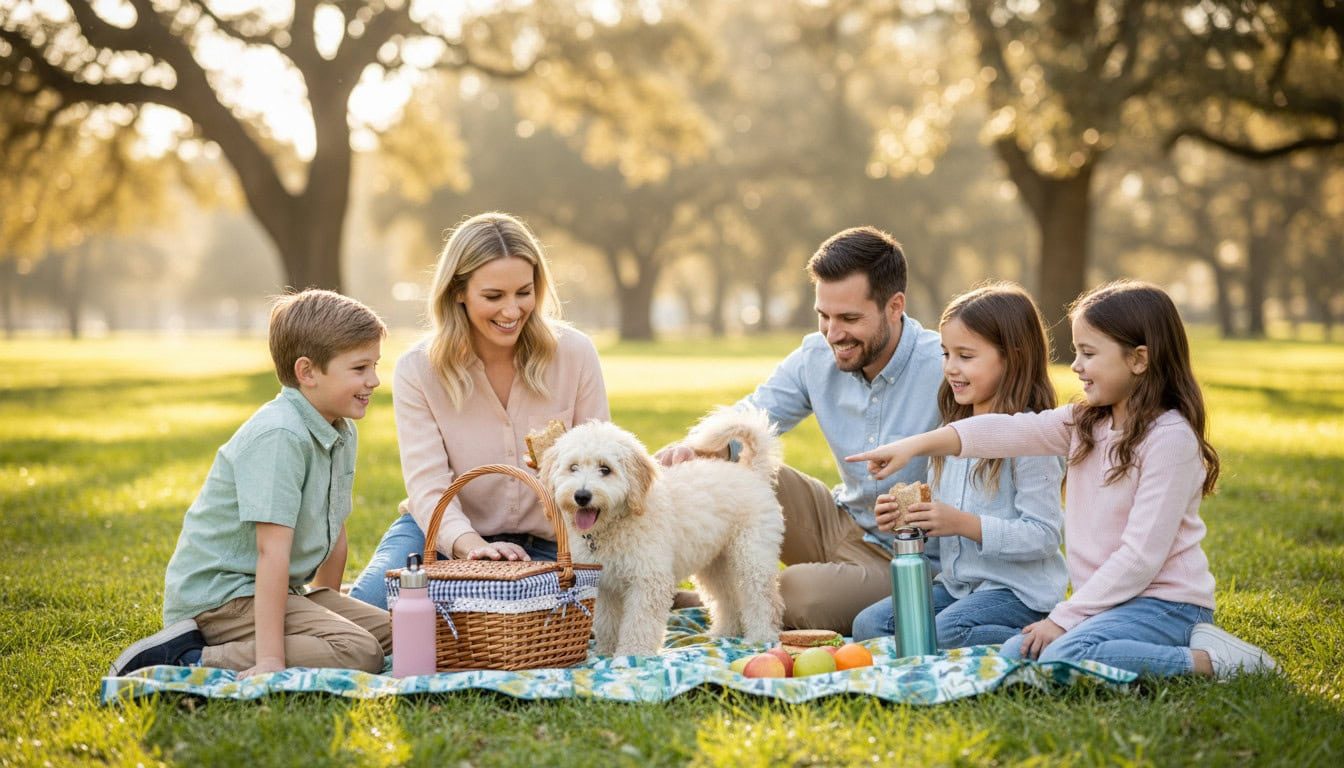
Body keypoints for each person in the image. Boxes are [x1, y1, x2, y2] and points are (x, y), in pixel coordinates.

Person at [848, 280, 1279, 678]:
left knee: (1061, 655)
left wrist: (1063, 620)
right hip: (1106, 602)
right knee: (1021, 654)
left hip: (1165, 604)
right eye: (1076, 352)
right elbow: (1005, 429)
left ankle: (1212, 661)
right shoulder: (1083, 423)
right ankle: (1093, 638)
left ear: (1138, 358)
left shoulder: (1168, 440)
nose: (1075, 366)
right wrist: (914, 446)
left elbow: (1139, 560)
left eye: (1088, 353)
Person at [656, 226, 944, 634]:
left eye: (849, 318)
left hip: (904, 555)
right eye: (823, 316)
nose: (833, 334)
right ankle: (728, 599)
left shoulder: (944, 367)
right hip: (839, 520)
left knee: (796, 594)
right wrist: (698, 449)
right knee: (734, 478)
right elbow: (753, 413)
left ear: (895, 306)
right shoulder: (815, 355)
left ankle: (721, 606)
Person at [109, 290, 393, 678]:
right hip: (222, 599)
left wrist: (323, 606)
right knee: (361, 651)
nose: (374, 380)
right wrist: (271, 661)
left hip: (275, 592)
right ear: (307, 372)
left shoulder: (341, 429)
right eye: (360, 368)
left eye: (375, 365)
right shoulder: (280, 435)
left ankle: (297, 642)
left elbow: (335, 526)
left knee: (399, 633)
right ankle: (190, 656)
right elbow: (270, 553)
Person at [348, 212, 608, 609]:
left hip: (554, 545)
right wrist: (472, 547)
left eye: (524, 292)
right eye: (493, 296)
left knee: (561, 624)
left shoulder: (574, 353)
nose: (512, 311)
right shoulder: (418, 370)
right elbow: (428, 486)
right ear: (458, 292)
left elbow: (601, 462)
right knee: (370, 611)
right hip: (442, 537)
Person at [851, 284, 1067, 647]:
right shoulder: (948, 434)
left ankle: (1050, 639)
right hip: (956, 588)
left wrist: (965, 525)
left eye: (966, 356)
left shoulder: (1032, 439)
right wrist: (909, 522)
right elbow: (942, 516)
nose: (951, 368)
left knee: (943, 633)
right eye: (945, 353)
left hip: (1018, 595)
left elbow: (1044, 536)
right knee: (869, 626)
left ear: (1012, 357)